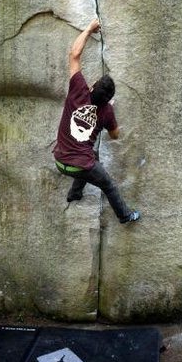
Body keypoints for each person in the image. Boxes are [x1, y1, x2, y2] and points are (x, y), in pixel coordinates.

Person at [53, 19, 140, 224]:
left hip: (59, 161)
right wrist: (108, 116)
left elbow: (74, 54)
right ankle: (125, 216)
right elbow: (116, 135)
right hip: (79, 166)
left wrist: (89, 29)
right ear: (108, 100)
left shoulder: (78, 89)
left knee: (88, 156)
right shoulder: (107, 112)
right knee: (107, 183)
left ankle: (74, 194)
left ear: (92, 86)